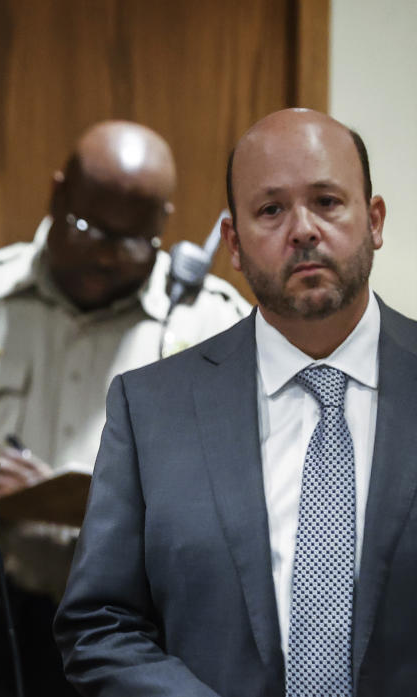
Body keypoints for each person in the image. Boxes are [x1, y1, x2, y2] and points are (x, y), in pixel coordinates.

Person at [55, 107, 417, 696]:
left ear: (373, 219)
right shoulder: (150, 409)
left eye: (327, 201)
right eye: (271, 210)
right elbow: (100, 624)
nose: (303, 229)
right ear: (234, 243)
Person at [0, 122, 249, 695]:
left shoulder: (212, 325)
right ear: (57, 196)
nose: (105, 257)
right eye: (88, 229)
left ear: (163, 226)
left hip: (138, 625)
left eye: (132, 242)